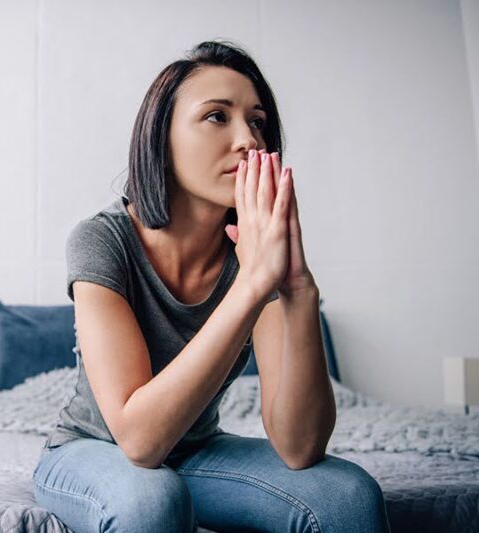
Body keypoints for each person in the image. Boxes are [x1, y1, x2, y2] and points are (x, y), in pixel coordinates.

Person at [32, 40, 391, 533]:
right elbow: (138, 442)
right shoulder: (101, 240)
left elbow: (300, 446)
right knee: (151, 498)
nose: (248, 139)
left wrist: (299, 290)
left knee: (347, 495)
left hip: (196, 453)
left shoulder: (253, 254)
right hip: (90, 450)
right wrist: (251, 285)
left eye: (258, 121)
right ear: (162, 137)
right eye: (217, 117)